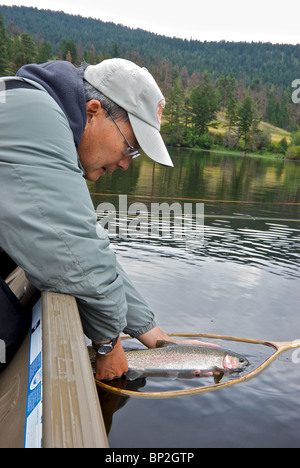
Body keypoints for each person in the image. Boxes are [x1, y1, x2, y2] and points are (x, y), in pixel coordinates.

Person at [0, 58, 212, 380]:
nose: (126, 164)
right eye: (129, 147)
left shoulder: (38, 109)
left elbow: (89, 245)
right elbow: (78, 253)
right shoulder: (39, 121)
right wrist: (107, 344)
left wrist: (158, 339)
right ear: (93, 111)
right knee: (7, 326)